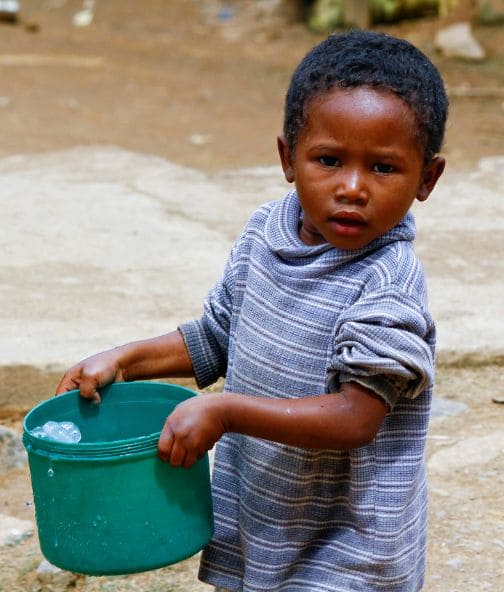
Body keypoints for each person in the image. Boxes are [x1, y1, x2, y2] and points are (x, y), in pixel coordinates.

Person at [56, 30, 448, 592]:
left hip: (349, 545)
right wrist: (124, 359)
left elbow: (356, 418)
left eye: (383, 169)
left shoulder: (387, 286)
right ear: (288, 158)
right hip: (264, 516)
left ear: (426, 179)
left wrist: (226, 413)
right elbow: (218, 336)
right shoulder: (267, 233)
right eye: (329, 160)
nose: (353, 188)